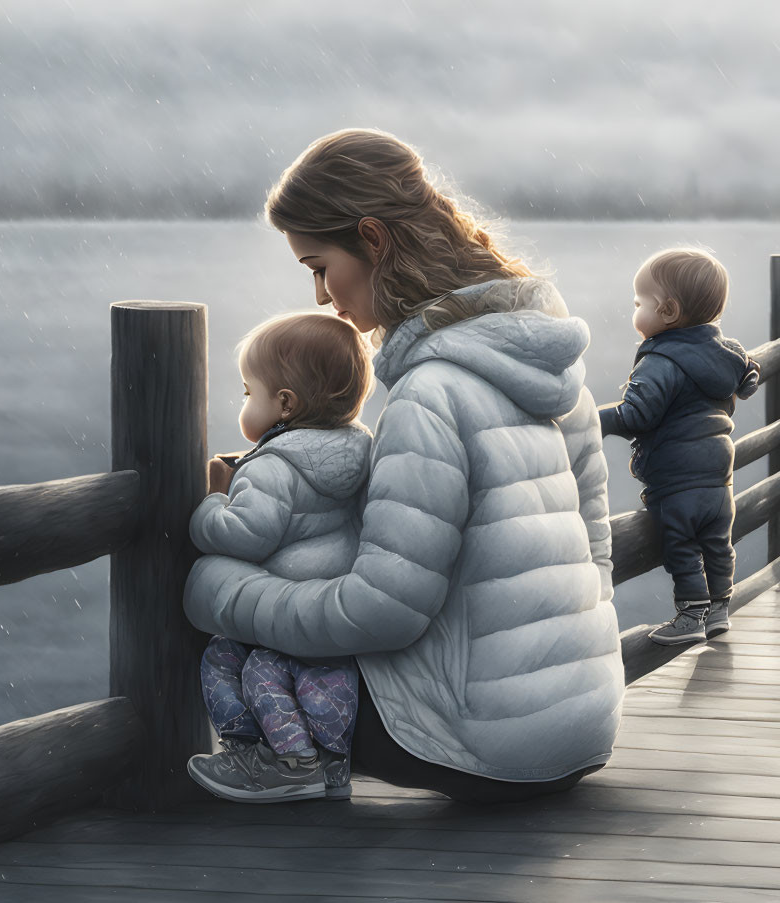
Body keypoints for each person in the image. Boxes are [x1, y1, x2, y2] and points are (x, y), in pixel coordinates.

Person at [183, 128, 625, 804]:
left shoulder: (429, 394)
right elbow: (597, 554)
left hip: (482, 748)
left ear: (372, 238)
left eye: (318, 264)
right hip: (583, 727)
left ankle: (287, 772)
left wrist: (219, 590)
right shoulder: (547, 370)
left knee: (238, 651)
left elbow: (379, 614)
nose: (321, 295)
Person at [186, 311, 375, 802]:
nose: (245, 402)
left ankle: (272, 760)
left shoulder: (273, 468)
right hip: (333, 608)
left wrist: (214, 499)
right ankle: (328, 763)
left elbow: (246, 536)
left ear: (284, 404)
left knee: (228, 659)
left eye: (250, 392)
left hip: (285, 608)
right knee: (318, 683)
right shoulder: (360, 450)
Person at [599, 248, 760, 646]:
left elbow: (637, 415)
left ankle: (692, 615)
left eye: (639, 303)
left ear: (668, 311)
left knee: (681, 546)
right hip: (718, 479)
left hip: (676, 480)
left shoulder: (660, 360)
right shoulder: (725, 352)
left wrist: (592, 417)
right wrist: (748, 379)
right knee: (718, 545)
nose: (634, 311)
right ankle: (720, 608)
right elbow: (749, 371)